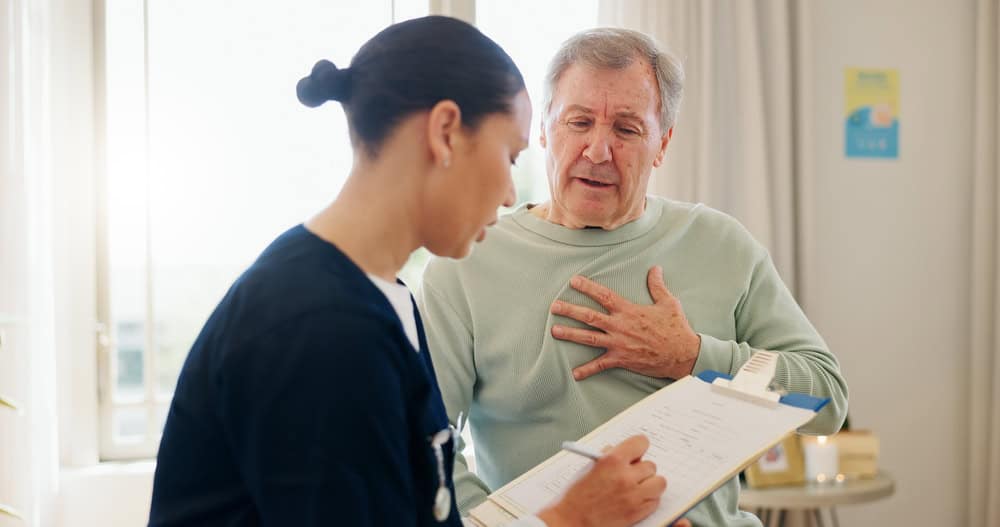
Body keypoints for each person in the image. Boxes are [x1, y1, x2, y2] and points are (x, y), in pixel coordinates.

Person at [147, 17, 678, 527]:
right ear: (446, 131)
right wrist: (572, 519)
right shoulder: (318, 328)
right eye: (510, 156)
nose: (512, 194)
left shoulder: (384, 301)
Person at [418, 27, 850, 527]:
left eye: (626, 129)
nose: (598, 151)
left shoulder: (721, 245)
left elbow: (826, 398)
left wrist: (693, 357)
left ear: (662, 144)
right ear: (542, 131)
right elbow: (428, 445)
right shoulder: (468, 259)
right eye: (579, 122)